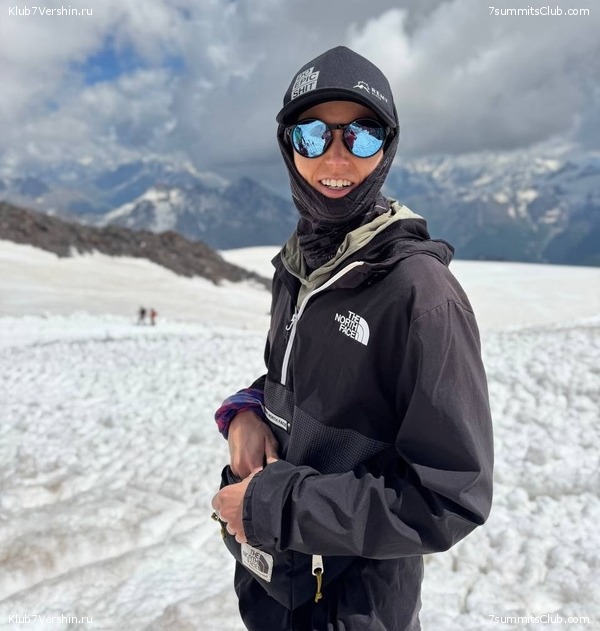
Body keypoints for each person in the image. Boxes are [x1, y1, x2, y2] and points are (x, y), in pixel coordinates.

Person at [211, 45, 493, 631]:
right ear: (288, 145)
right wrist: (245, 413)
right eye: (313, 134)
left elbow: (448, 497)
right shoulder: (299, 266)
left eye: (361, 135)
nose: (335, 157)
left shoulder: (421, 295)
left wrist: (273, 506)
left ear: (387, 148)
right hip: (276, 588)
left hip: (357, 607)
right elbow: (304, 383)